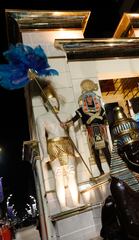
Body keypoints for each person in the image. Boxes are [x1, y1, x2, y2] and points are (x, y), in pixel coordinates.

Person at [36, 83, 80, 211]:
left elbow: (72, 132)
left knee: (71, 173)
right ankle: (63, 205)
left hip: (66, 144)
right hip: (53, 145)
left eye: (55, 100)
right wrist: (45, 153)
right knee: (58, 174)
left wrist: (76, 148)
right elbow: (42, 137)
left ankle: (76, 202)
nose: (53, 102)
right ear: (45, 104)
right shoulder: (41, 118)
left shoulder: (66, 115)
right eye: (50, 101)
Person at [65, 80, 111, 176]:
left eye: (91, 97)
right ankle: (101, 171)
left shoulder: (100, 108)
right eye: (87, 97)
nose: (89, 98)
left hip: (101, 131)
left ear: (94, 98)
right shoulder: (82, 110)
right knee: (95, 152)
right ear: (85, 99)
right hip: (91, 132)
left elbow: (105, 119)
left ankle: (112, 169)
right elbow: (75, 119)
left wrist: (105, 121)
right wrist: (66, 123)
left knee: (106, 150)